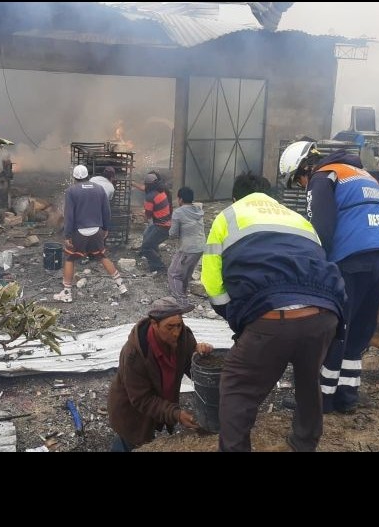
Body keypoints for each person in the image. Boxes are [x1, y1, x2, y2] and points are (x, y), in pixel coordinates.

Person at [201, 171, 346, 452]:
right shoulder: (297, 219)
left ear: (235, 198)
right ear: (271, 197)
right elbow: (319, 260)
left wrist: (236, 318)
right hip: (326, 313)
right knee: (308, 378)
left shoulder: (228, 217)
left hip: (271, 318)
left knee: (236, 387)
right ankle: (305, 442)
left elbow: (212, 282)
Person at [279, 141, 379, 414]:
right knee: (357, 331)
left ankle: (320, 399)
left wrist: (312, 271)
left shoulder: (322, 178)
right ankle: (347, 397)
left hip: (351, 262)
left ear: (304, 167)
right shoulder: (362, 174)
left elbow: (321, 229)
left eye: (298, 180)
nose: (302, 186)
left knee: (334, 330)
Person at [108, 296, 213, 451]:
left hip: (159, 398)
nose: (176, 332)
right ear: (154, 324)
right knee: (131, 440)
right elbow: (142, 399)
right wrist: (176, 414)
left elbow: (190, 366)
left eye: (179, 325)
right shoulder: (134, 354)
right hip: (130, 409)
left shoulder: (183, 336)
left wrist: (201, 355)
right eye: (169, 327)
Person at [53, 164, 128, 302]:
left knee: (70, 259)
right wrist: (105, 228)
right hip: (97, 231)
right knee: (102, 256)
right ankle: (121, 286)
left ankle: (67, 293)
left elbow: (69, 215)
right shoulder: (99, 189)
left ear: (74, 177)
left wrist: (68, 235)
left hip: (79, 232)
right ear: (88, 175)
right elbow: (106, 211)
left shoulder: (71, 191)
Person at [167, 186, 205, 306]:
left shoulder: (178, 212)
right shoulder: (198, 209)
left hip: (188, 248)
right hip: (200, 247)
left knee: (173, 274)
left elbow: (173, 234)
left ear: (181, 199)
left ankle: (181, 301)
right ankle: (183, 294)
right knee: (186, 273)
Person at [138, 171, 172, 275]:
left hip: (161, 226)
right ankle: (155, 259)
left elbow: (148, 216)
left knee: (146, 247)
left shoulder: (150, 197)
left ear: (147, 185)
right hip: (165, 223)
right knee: (147, 237)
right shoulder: (162, 192)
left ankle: (159, 267)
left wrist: (143, 214)